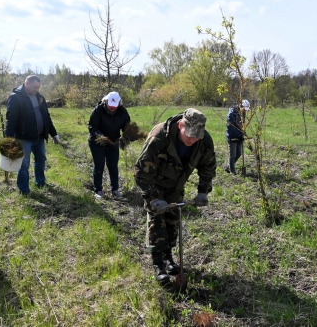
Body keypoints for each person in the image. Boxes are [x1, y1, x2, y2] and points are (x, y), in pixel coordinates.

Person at [134, 108, 216, 285]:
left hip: (176, 186)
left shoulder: (203, 141)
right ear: (180, 126)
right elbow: (141, 172)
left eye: (197, 136)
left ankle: (169, 258)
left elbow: (208, 167)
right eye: (190, 135)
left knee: (173, 222)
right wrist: (153, 198)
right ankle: (158, 265)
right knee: (157, 222)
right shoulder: (159, 138)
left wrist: (203, 191)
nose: (193, 140)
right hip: (154, 185)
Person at [5, 75, 60, 195]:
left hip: (39, 137)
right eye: (35, 87)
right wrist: (8, 140)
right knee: (24, 164)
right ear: (27, 83)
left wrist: (54, 133)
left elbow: (47, 117)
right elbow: (11, 120)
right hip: (24, 138)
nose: (37, 89)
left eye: (39, 87)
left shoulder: (40, 97)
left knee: (41, 159)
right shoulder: (16, 98)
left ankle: (40, 182)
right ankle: (24, 190)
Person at [88, 91, 130, 199]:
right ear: (106, 101)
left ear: (118, 104)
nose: (112, 108)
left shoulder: (122, 112)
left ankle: (115, 189)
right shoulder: (98, 110)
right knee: (99, 165)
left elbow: (126, 127)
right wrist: (100, 136)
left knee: (113, 165)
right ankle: (98, 190)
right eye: (110, 106)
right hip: (97, 142)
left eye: (114, 106)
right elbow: (92, 127)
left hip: (113, 142)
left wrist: (127, 135)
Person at [225, 99, 250, 175]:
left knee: (238, 153)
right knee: (232, 155)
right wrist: (239, 135)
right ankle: (232, 172)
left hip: (239, 136)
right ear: (240, 106)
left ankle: (228, 166)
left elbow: (242, 125)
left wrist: (243, 133)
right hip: (232, 136)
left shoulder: (242, 113)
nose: (246, 111)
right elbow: (230, 127)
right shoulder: (232, 113)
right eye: (244, 109)